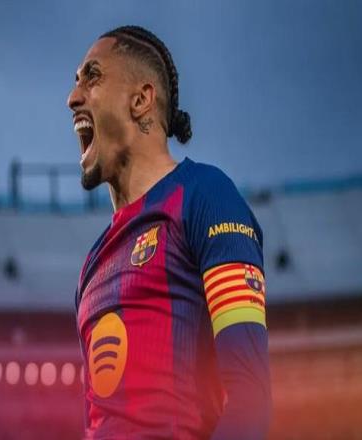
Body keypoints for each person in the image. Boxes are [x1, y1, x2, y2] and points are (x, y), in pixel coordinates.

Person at [67, 25, 271, 439]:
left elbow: (250, 397)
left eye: (92, 77)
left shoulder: (206, 197)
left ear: (141, 100)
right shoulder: (92, 265)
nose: (72, 98)